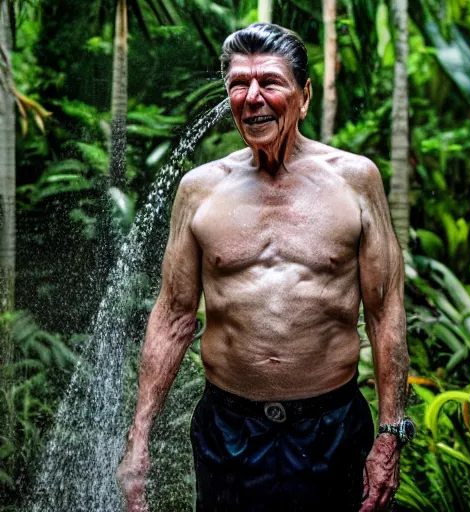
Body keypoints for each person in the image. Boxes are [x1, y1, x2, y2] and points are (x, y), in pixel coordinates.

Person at [117, 22, 411, 512]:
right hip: (228, 431)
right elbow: (172, 317)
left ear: (304, 95)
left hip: (331, 428)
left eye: (270, 82)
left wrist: (390, 436)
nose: (251, 97)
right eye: (238, 84)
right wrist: (138, 439)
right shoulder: (200, 189)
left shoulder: (356, 181)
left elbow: (385, 313)